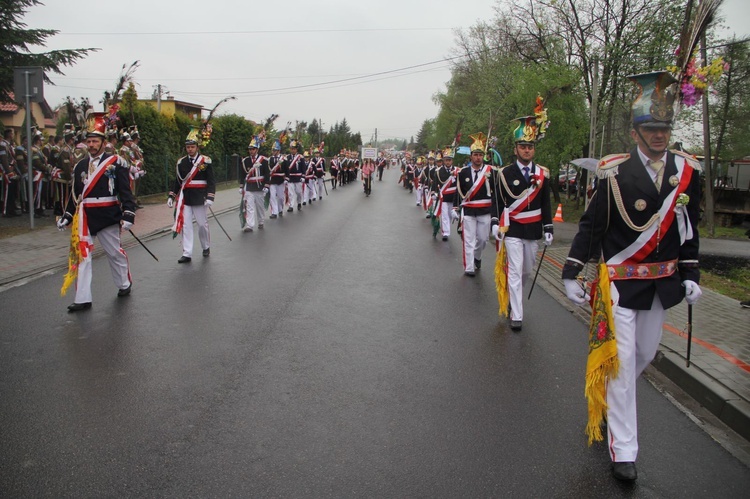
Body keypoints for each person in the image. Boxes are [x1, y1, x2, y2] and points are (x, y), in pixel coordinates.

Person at [561, 71, 702, 481]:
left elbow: (688, 229)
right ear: (636, 131)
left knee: (643, 354)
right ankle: (624, 449)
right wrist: (572, 271)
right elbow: (592, 226)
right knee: (622, 364)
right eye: (651, 128)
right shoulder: (614, 174)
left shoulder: (686, 171)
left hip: (662, 283)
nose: (659, 136)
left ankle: (606, 396)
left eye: (664, 128)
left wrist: (691, 272)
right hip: (621, 283)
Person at [57, 112, 136, 312]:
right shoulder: (80, 166)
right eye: (89, 141)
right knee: (83, 256)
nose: (91, 145)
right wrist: (67, 216)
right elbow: (75, 194)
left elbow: (125, 190)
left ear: (102, 143)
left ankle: (124, 284)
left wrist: (128, 213)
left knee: (113, 253)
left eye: (95, 141)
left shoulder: (115, 162)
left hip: (108, 214)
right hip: (85, 216)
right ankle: (83, 298)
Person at [491, 103, 554, 331]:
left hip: (533, 229)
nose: (527, 150)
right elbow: (497, 200)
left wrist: (548, 227)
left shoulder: (542, 173)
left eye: (530, 146)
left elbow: (546, 202)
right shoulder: (503, 173)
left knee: (526, 269)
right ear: (516, 148)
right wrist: (495, 221)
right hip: (514, 229)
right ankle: (516, 314)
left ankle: (513, 296)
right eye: (523, 146)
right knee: (516, 269)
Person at [167, 127, 216, 263]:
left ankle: (206, 246)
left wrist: (210, 196)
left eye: (192, 147)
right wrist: (171, 196)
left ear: (197, 147)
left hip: (200, 197)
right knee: (186, 225)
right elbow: (177, 182)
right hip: (186, 197)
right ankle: (187, 253)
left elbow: (211, 180)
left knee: (202, 224)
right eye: (188, 147)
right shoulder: (181, 162)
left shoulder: (205, 161)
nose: (190, 149)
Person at [456, 133, 496, 277]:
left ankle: (477, 256)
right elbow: (459, 191)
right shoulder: (463, 172)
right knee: (469, 239)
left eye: (480, 154)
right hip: (468, 211)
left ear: (483, 156)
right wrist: (456, 207)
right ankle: (469, 267)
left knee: (483, 239)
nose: (478, 157)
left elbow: (496, 191)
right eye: (475, 154)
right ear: (471, 156)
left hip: (485, 211)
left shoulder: (491, 172)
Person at [239, 135, 270, 232]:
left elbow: (267, 174)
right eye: (250, 149)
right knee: (249, 206)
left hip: (260, 186)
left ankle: (261, 221)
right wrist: (241, 186)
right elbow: (242, 174)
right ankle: (250, 225)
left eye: (253, 149)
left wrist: (266, 185)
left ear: (257, 149)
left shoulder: (264, 160)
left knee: (260, 206)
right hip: (249, 187)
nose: (251, 151)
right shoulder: (245, 161)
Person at [432, 147, 458, 241]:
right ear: (443, 160)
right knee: (444, 215)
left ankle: (447, 229)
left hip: (454, 197)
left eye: (449, 160)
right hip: (443, 197)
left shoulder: (457, 171)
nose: (448, 162)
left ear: (452, 161)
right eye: (446, 160)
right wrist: (433, 192)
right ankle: (445, 233)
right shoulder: (438, 171)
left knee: (451, 215)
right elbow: (435, 183)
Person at [1, 128, 20, 217]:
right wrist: (8, 172)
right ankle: (6, 211)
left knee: (12, 192)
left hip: (12, 170)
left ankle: (11, 209)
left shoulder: (9, 145)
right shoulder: (3, 145)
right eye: (12, 133)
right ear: (9, 134)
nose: (13, 135)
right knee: (7, 192)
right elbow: (4, 159)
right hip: (7, 171)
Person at [284, 139, 305, 212]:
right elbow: (286, 168)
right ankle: (291, 206)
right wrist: (286, 177)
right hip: (290, 177)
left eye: (294, 149)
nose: (293, 150)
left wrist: (303, 176)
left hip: (298, 177)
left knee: (299, 192)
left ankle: (299, 203)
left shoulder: (301, 157)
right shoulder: (287, 157)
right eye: (292, 149)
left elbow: (303, 168)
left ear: (296, 149)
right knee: (290, 193)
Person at [268, 140, 286, 219]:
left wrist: (286, 178)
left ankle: (280, 209)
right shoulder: (269, 159)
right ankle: (274, 212)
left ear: (279, 151)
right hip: (272, 180)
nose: (273, 152)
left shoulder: (283, 159)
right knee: (272, 196)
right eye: (273, 150)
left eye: (275, 150)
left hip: (280, 180)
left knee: (281, 197)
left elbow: (286, 169)